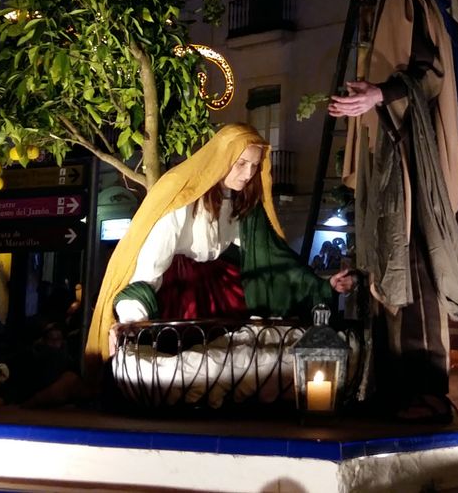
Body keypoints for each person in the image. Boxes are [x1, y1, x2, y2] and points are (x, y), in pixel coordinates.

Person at [330, 0, 458, 420]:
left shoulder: (410, 1)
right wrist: (366, 99)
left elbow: (430, 71)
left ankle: (425, 389)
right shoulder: (378, 14)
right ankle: (391, 387)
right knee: (383, 264)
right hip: (386, 156)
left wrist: (380, 95)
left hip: (412, 159)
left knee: (415, 265)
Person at [83, 124, 354, 375]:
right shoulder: (181, 195)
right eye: (242, 163)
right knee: (177, 363)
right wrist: (133, 321)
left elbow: (272, 259)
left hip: (218, 288)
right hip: (175, 290)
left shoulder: (243, 202)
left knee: (236, 356)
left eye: (254, 166)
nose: (248, 174)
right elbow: (151, 263)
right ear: (223, 158)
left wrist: (322, 286)